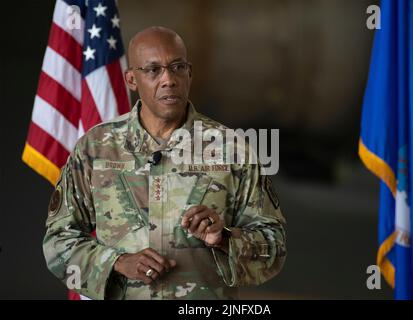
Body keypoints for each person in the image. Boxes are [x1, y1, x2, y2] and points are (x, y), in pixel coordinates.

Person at [43, 26, 286, 300]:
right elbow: (58, 241)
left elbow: (274, 249)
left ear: (189, 73)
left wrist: (225, 239)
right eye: (153, 70)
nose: (168, 79)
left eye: (177, 67)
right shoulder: (96, 147)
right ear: (132, 79)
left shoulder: (233, 149)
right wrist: (116, 262)